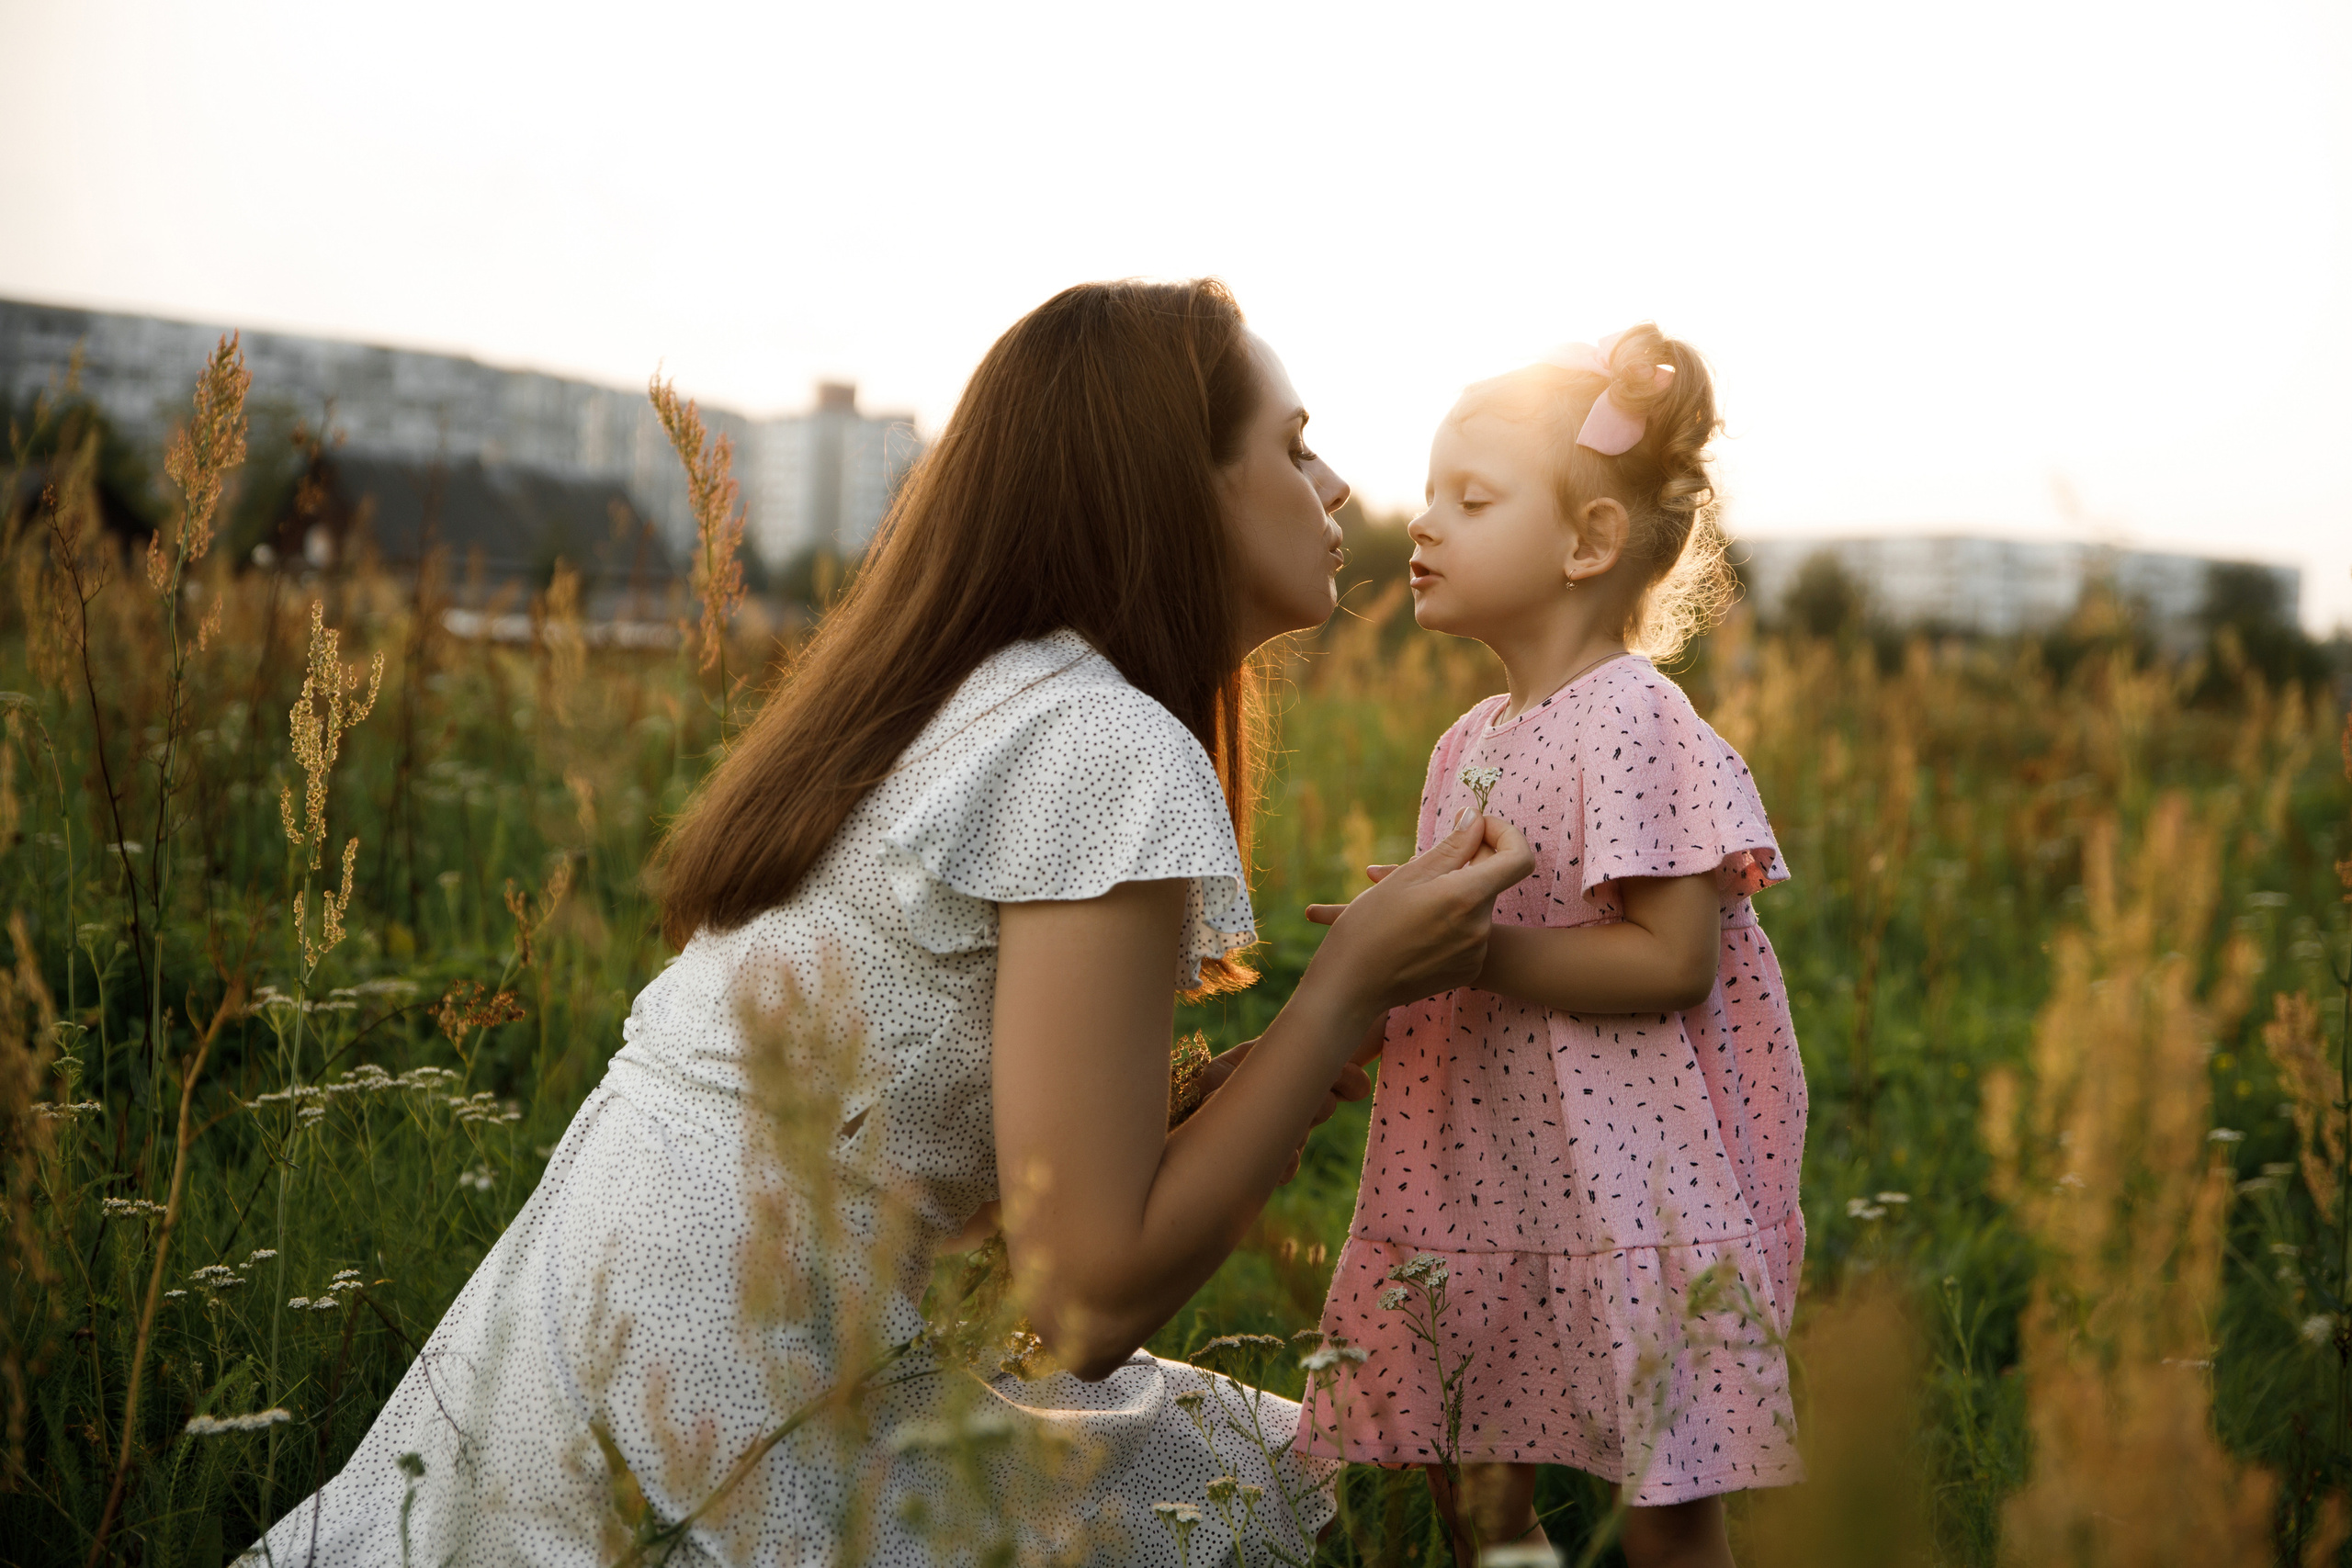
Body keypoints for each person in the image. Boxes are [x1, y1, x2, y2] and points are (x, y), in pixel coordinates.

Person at [253, 279, 1533, 1566]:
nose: (1339, 488)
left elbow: (953, 1190)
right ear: (1172, 484)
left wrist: (1243, 1093)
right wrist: (1343, 992)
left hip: (578, 1363)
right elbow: (1084, 1301)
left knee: (1254, 1460)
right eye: (1294, 444)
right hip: (736, 1408)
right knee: (1290, 1478)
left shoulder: (980, 699)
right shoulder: (1102, 744)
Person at [1298, 326, 1805, 1568]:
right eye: (1429, 495)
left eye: (1470, 499)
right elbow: (1463, 936)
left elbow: (1668, 959)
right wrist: (1384, 963)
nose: (1423, 525)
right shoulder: (1469, 737)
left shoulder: (1635, 716)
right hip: (1485, 1158)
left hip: (1626, 1166)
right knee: (1470, 1473)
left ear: (1588, 542)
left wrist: (1474, 956)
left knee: (1670, 1494)